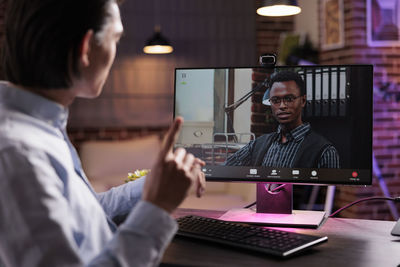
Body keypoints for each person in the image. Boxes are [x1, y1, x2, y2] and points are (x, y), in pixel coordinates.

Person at [0, 0, 205, 266]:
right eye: (115, 38)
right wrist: (157, 209)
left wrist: (155, 185)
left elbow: (87, 215)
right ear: (86, 48)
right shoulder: (19, 153)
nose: (115, 51)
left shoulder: (41, 125)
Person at [225, 70, 340, 169]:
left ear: (303, 101)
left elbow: (330, 193)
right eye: (275, 100)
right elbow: (225, 170)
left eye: (289, 99)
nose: (282, 106)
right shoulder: (257, 145)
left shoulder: (324, 151)